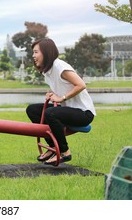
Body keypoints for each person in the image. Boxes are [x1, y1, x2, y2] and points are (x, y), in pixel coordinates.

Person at [26, 38, 96, 166]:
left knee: (50, 113)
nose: (33, 56)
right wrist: (52, 94)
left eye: (36, 52)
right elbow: (60, 86)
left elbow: (81, 85)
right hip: (68, 109)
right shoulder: (47, 70)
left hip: (83, 113)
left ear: (46, 52)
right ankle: (52, 147)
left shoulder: (60, 67)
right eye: (33, 53)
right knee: (32, 110)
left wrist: (61, 98)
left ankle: (65, 151)